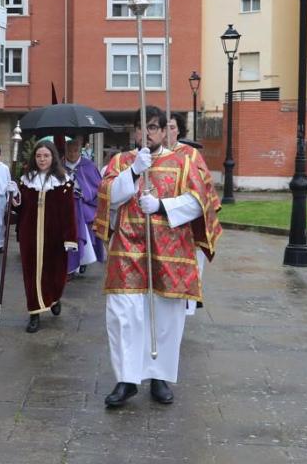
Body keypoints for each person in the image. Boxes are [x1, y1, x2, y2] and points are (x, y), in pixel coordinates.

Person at [94, 105, 220, 409]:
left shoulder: (184, 161)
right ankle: (126, 379)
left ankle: (160, 377)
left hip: (169, 252)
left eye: (153, 127)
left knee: (165, 318)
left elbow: (199, 201)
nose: (147, 133)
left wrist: (162, 206)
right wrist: (135, 171)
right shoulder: (121, 161)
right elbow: (107, 195)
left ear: (164, 131)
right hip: (127, 252)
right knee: (124, 317)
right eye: (142, 128)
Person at [12, 141, 78, 333]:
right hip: (29, 234)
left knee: (55, 272)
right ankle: (34, 313)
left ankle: (54, 297)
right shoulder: (26, 180)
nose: (42, 159)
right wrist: (14, 195)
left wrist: (69, 237)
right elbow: (19, 209)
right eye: (39, 156)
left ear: (53, 158)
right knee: (31, 273)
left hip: (54, 235)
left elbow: (68, 211)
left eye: (46, 156)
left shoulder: (63, 181)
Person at [167, 111, 223, 316]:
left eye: (172, 127)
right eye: (163, 127)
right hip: (162, 222)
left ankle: (188, 303)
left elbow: (204, 188)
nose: (167, 132)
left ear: (179, 130)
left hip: (189, 224)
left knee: (188, 268)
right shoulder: (152, 154)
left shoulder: (190, 154)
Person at [63, 138, 104, 278]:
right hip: (65, 206)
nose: (72, 154)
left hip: (85, 204)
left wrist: (84, 194)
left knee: (85, 221)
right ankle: (69, 266)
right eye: (69, 151)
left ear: (80, 151)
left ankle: (83, 261)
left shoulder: (89, 166)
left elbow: (98, 188)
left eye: (75, 151)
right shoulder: (59, 166)